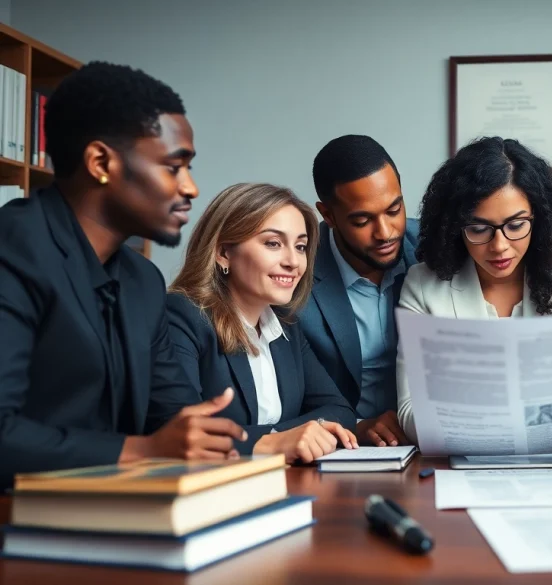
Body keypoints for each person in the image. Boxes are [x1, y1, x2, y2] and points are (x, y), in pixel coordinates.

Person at [0, 62, 244, 488]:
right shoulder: (13, 248)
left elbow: (173, 419)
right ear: (100, 162)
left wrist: (205, 436)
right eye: (173, 167)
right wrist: (144, 451)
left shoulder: (143, 282)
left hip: (112, 514)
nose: (191, 188)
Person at [396, 137, 552, 451]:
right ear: (453, 227)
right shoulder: (422, 286)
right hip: (460, 468)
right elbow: (409, 412)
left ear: (540, 220)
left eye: (516, 225)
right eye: (479, 229)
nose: (500, 246)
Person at [168, 183, 359, 463]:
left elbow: (339, 410)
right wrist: (274, 441)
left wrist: (282, 437)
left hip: (277, 485)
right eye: (273, 243)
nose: (294, 262)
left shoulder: (286, 327)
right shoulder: (183, 316)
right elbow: (180, 434)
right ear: (223, 253)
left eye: (301, 246)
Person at [299, 135, 419, 448]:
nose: (385, 232)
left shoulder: (434, 249)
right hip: (347, 451)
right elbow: (288, 395)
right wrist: (356, 426)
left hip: (430, 445)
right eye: (363, 220)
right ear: (328, 215)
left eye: (394, 210)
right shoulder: (295, 274)